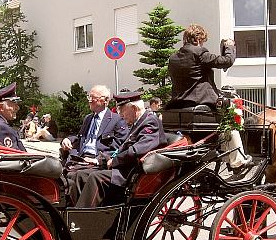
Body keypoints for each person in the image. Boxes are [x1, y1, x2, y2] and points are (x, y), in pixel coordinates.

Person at [166, 23, 253, 179]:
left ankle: (227, 154)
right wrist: (229, 46)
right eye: (203, 40)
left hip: (178, 107)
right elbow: (226, 61)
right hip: (199, 107)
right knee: (230, 119)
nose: (203, 43)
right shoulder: (199, 53)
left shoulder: (173, 58)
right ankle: (238, 160)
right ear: (198, 39)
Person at [71, 91, 166, 208]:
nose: (120, 115)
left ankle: (82, 219)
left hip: (133, 172)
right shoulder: (138, 123)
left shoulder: (150, 122)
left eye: (122, 110)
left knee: (96, 178)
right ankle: (72, 211)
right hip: (124, 167)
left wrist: (115, 161)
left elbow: (137, 150)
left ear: (134, 109)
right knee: (80, 174)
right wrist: (101, 160)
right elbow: (122, 149)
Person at [60, 85, 128, 166]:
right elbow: (80, 137)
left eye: (93, 98)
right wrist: (68, 139)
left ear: (105, 100)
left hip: (96, 159)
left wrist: (99, 160)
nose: (90, 101)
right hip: (80, 156)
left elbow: (119, 147)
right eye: (89, 97)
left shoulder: (117, 119)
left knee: (76, 175)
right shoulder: (88, 118)